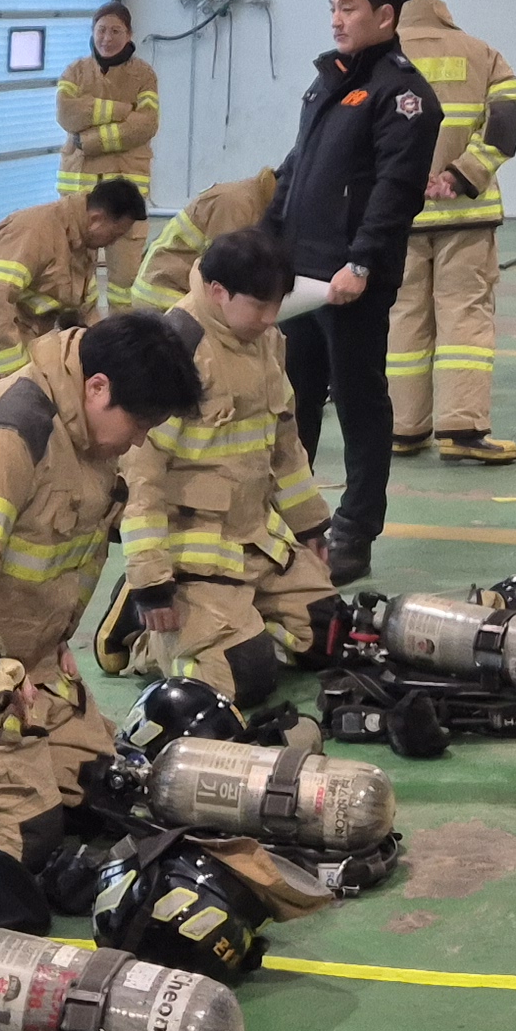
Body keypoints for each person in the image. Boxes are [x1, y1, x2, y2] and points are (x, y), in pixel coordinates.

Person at [0, 310, 207, 928]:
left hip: (27, 656)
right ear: (96, 387)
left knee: (104, 791)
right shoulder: (5, 438)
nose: (139, 442)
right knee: (25, 841)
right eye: (139, 424)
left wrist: (51, 643)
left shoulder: (85, 429)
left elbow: (56, 558)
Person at [266, 0, 436, 589]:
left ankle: (354, 530)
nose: (337, 20)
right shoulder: (329, 82)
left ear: (385, 15)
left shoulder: (403, 94)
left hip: (350, 280)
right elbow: (297, 169)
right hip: (301, 278)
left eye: (350, 8)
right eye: (333, 8)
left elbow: (396, 190)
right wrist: (264, 241)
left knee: (360, 402)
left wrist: (360, 262)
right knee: (293, 402)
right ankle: (292, 522)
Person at [116, 224, 336, 703]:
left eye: (277, 304)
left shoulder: (266, 339)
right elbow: (141, 480)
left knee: (329, 633)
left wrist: (310, 524)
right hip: (195, 550)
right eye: (259, 305)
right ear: (218, 291)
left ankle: (235, 622)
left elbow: (284, 444)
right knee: (245, 678)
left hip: (256, 539)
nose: (270, 317)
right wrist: (151, 581)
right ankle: (141, 632)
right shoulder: (176, 350)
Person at [392, 0, 516, 463]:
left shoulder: (376, 55)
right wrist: (460, 174)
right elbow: (506, 121)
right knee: (464, 317)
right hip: (465, 214)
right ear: (437, 1)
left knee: (402, 320)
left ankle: (403, 429)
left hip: (398, 218)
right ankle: (462, 430)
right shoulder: (481, 53)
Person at [0, 179, 143, 402]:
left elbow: (84, 310)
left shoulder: (83, 239)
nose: (112, 244)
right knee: (7, 408)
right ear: (96, 219)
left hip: (21, 334)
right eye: (114, 235)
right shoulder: (34, 232)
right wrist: (18, 376)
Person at [52, 2, 159, 304]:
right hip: (79, 197)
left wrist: (90, 140)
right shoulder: (75, 72)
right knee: (75, 278)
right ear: (92, 31)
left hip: (126, 198)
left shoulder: (144, 76)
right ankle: (78, 331)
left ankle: (122, 331)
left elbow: (145, 125)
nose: (107, 38)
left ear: (129, 34)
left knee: (124, 280)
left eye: (115, 31)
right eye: (101, 30)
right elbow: (67, 114)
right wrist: (123, 111)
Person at [125, 168, 276, 315]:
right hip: (166, 293)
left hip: (180, 291)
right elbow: (226, 270)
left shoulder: (259, 203)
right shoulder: (237, 205)